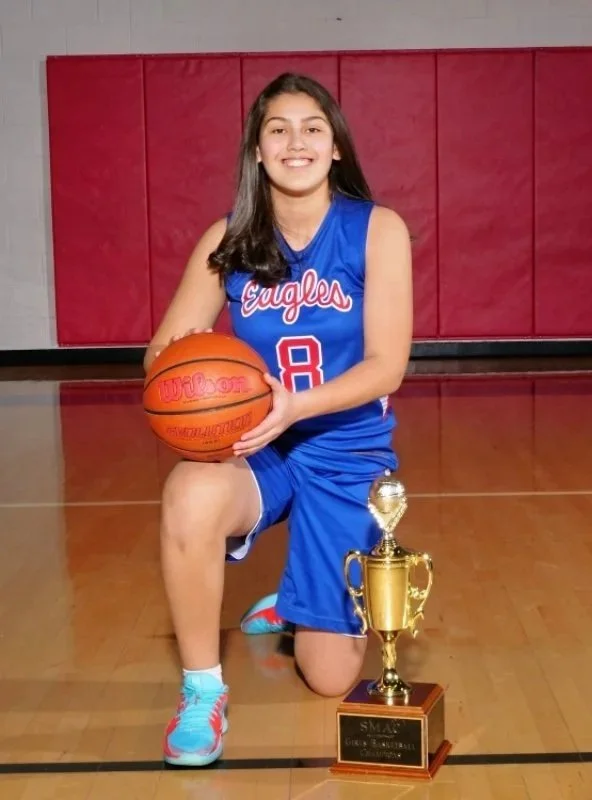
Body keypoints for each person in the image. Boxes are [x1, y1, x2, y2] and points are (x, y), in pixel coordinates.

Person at [144, 72, 413, 767]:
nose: (297, 142)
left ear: (336, 150)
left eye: (312, 128)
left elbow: (387, 366)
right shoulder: (229, 237)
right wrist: (189, 380)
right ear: (257, 153)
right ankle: (203, 689)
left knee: (330, 678)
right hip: (255, 445)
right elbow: (161, 358)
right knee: (188, 492)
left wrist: (295, 404)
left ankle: (296, 604)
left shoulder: (377, 230)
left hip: (344, 447)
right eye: (278, 129)